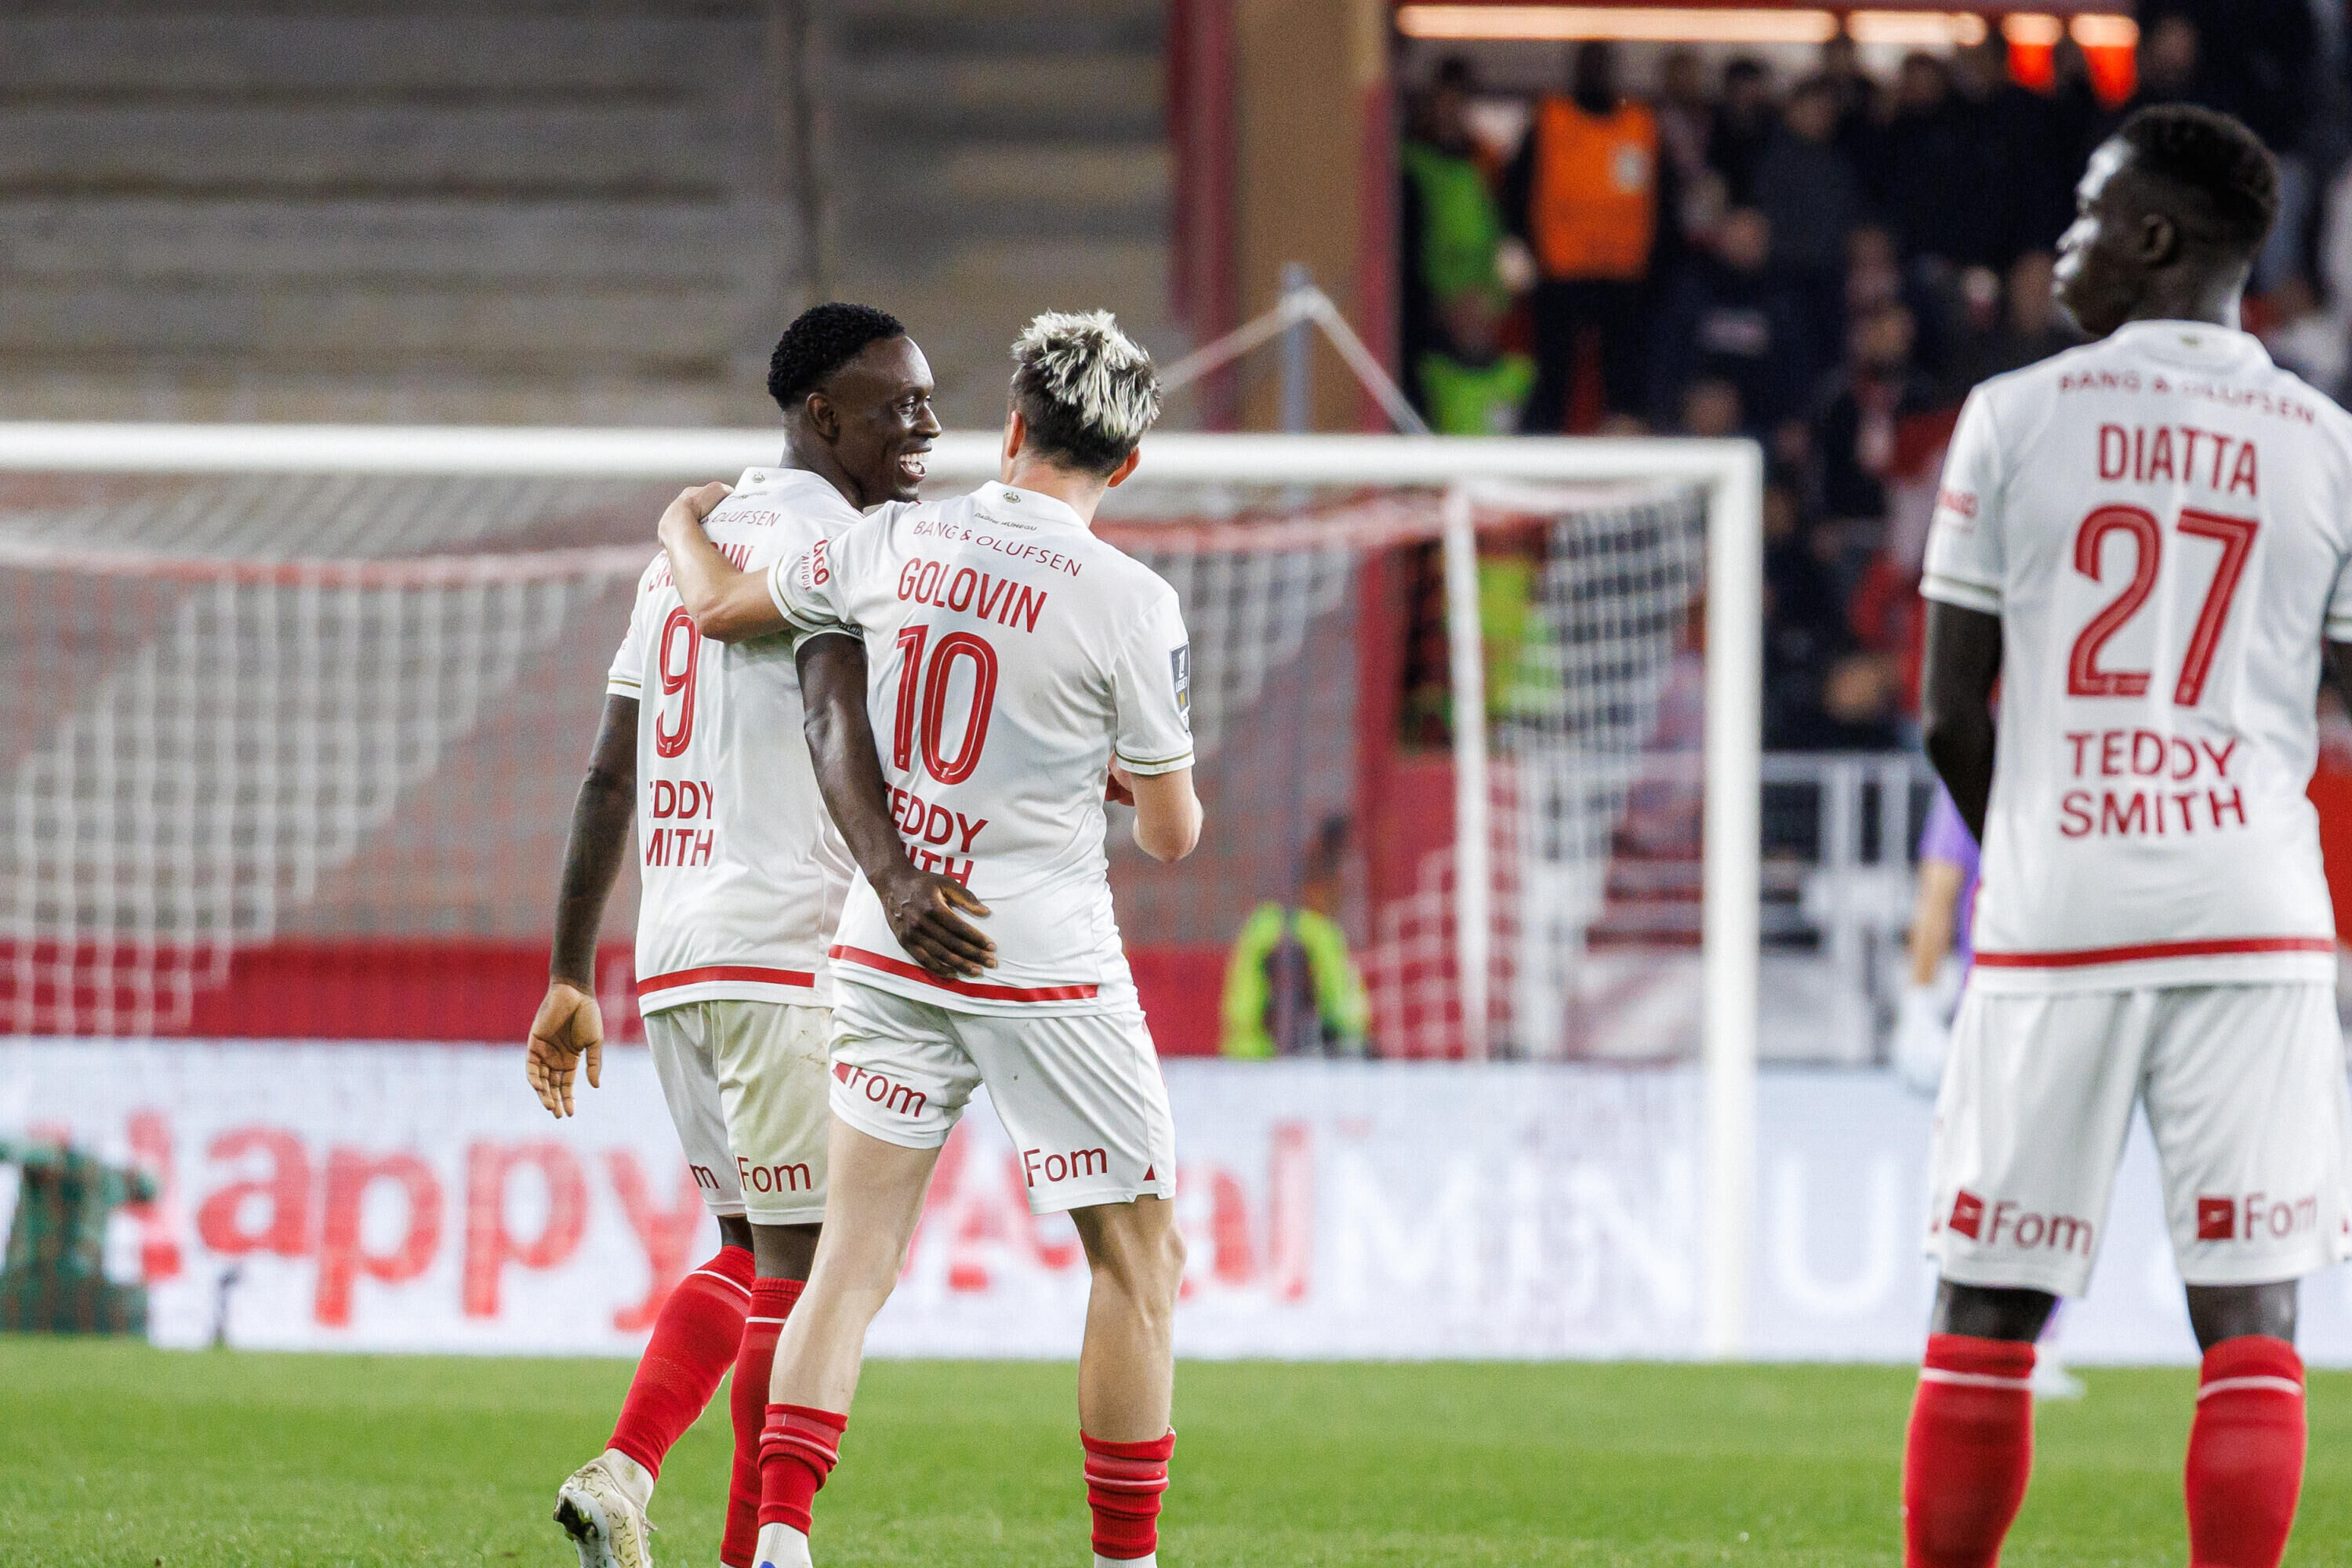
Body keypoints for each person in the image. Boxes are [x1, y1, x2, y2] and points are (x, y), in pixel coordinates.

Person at [658, 310, 1202, 1568]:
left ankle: (782, 1536)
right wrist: (1124, 774)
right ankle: (1125, 1560)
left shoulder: (895, 538)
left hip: (889, 942)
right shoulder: (1132, 600)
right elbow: (1172, 834)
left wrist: (680, 523)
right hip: (1040, 961)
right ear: (1125, 464)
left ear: (1012, 428)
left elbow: (723, 606)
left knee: (852, 1258)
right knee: (1137, 1261)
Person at [1909, 105, 2352, 1568]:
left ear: (2153, 237)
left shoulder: (2013, 416)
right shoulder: (2329, 446)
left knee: (1988, 1307)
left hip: (2060, 914)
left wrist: (2041, 841)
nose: (2065, 243)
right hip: (2255, 912)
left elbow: (1948, 715)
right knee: (2253, 1319)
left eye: (2089, 213)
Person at [524, 301, 938, 1568]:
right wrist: (901, 881)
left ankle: (625, 1472)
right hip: (784, 944)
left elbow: (609, 775)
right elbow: (834, 723)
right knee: (806, 1277)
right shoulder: (839, 549)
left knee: (751, 1252)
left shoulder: (683, 557)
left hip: (676, 960)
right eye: (897, 405)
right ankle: (759, 1547)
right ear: (821, 415)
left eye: (929, 400)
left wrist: (570, 972)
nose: (925, 427)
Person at [1504, 39, 1661, 432]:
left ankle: (1623, 450)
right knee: (1554, 378)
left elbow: (1663, 201)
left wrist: (1656, 272)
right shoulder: (1549, 120)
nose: (1596, 73)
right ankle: (1548, 447)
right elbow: (1516, 189)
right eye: (1588, 64)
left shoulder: (1640, 125)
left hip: (1624, 278)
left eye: (1602, 64)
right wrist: (1524, 250)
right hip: (1561, 273)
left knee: (1624, 382)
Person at [1221, 815, 1370, 1058]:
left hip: (1243, 1057)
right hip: (1299, 1061)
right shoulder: (1319, 934)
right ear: (1317, 887)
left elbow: (1239, 1007)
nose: (1340, 900)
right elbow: (1340, 1012)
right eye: (1337, 891)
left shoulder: (1259, 926)